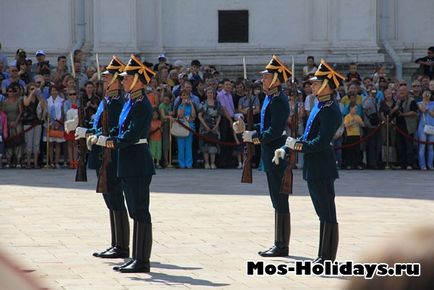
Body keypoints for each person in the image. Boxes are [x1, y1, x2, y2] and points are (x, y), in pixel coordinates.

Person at [275, 59, 344, 263]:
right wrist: (287, 145)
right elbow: (307, 136)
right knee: (321, 211)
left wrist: (298, 146)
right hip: (314, 165)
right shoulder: (319, 106)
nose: (311, 85)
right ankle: (323, 254)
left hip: (322, 164)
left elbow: (320, 142)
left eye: (315, 82)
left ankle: (327, 256)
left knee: (327, 212)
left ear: (326, 85)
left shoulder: (330, 110)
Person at [95, 54, 156, 273]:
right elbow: (119, 130)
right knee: (134, 210)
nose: (123, 81)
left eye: (127, 78)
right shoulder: (132, 102)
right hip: (129, 162)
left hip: (138, 162)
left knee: (140, 211)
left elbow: (130, 136)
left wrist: (109, 141)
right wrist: (104, 136)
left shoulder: (142, 105)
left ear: (139, 80)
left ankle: (142, 260)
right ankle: (136, 257)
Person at [236, 55, 291, 257]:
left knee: (280, 198)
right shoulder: (270, 97)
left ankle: (282, 245)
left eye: (267, 77)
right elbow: (266, 126)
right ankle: (279, 242)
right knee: (276, 199)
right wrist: (247, 128)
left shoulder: (278, 100)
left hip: (276, 152)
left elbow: (275, 131)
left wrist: (254, 138)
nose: (263, 80)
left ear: (276, 79)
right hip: (270, 152)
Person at [76, 56, 130, 260]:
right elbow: (99, 126)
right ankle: (115, 243)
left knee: (116, 197)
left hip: (112, 155)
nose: (105, 80)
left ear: (118, 79)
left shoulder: (117, 102)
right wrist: (85, 130)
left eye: (109, 78)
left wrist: (94, 136)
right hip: (102, 154)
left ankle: (122, 246)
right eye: (105, 78)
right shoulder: (107, 100)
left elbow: (114, 130)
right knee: (109, 198)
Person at [394, 85, 418, 170]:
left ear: (407, 92)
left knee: (409, 146)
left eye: (403, 91)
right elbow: (394, 111)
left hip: (408, 126)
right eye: (400, 91)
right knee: (400, 146)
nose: (401, 93)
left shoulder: (412, 101)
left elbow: (414, 112)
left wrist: (403, 115)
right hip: (399, 126)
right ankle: (401, 163)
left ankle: (409, 164)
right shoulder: (398, 101)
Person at [198, 86, 222, 169]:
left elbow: (219, 116)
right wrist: (205, 126)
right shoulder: (202, 103)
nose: (210, 94)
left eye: (211, 93)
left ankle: (213, 163)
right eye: (208, 93)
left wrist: (216, 125)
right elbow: (200, 116)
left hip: (214, 125)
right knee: (205, 146)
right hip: (204, 126)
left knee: (213, 145)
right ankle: (206, 163)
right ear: (206, 94)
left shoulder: (217, 103)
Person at [22, 83, 42, 169]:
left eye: (34, 88)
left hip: (37, 122)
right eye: (31, 88)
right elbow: (26, 104)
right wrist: (31, 94)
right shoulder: (26, 97)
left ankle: (35, 162)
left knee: (36, 143)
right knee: (29, 143)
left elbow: (44, 106)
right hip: (28, 123)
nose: (33, 90)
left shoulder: (39, 98)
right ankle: (28, 162)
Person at [174, 89, 196, 168]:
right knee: (181, 147)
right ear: (181, 96)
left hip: (189, 126)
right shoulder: (179, 105)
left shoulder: (191, 105)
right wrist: (183, 105)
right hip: (181, 127)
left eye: (186, 95)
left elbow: (193, 116)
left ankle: (189, 164)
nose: (185, 97)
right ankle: (182, 164)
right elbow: (180, 115)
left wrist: (191, 105)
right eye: (183, 95)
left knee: (188, 146)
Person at [3, 83, 23, 168]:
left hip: (17, 123)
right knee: (9, 142)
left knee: (18, 141)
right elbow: (3, 114)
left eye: (13, 91)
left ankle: (18, 160)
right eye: (9, 91)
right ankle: (8, 160)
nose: (11, 93)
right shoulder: (4, 102)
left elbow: (21, 112)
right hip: (7, 123)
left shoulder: (19, 101)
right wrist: (7, 123)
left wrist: (16, 122)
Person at [44, 86, 64, 168]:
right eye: (52, 90)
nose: (54, 92)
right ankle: (51, 161)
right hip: (50, 123)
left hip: (59, 123)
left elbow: (63, 113)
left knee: (58, 144)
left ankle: (56, 161)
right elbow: (46, 113)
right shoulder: (47, 101)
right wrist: (51, 123)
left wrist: (58, 122)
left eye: (55, 90)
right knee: (50, 143)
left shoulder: (61, 101)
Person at [362, 88, 381, 169]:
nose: (373, 93)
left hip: (375, 125)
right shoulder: (366, 99)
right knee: (371, 145)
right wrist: (370, 98)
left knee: (375, 145)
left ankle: (375, 162)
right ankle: (371, 163)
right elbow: (365, 107)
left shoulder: (376, 100)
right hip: (369, 125)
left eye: (375, 92)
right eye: (372, 91)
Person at [417, 90, 434, 170]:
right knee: (422, 146)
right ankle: (422, 165)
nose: (427, 95)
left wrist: (427, 107)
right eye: (425, 93)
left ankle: (430, 165)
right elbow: (422, 110)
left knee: (431, 146)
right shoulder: (419, 103)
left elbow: (432, 114)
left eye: (428, 93)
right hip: (422, 126)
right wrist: (426, 105)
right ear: (422, 94)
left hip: (432, 126)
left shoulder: (433, 103)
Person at [344, 104, 364, 169]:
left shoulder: (358, 116)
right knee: (349, 150)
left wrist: (360, 123)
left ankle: (357, 164)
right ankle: (349, 164)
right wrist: (352, 123)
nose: (356, 110)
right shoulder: (347, 116)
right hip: (350, 135)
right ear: (350, 109)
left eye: (356, 109)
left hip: (357, 135)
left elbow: (363, 125)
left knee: (357, 150)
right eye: (355, 108)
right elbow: (346, 125)